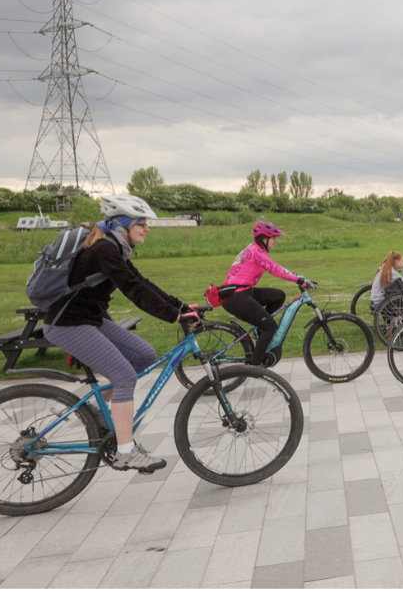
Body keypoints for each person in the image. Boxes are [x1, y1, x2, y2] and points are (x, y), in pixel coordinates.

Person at [41, 195, 198, 473]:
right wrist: (174, 316)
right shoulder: (104, 249)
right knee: (124, 376)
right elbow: (133, 291)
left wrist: (181, 306)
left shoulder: (115, 246)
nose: (147, 228)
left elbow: (141, 282)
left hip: (90, 319)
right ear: (124, 223)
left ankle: (94, 410)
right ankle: (125, 452)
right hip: (69, 324)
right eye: (142, 223)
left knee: (144, 355)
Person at [220, 221, 316, 367]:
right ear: (264, 239)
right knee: (270, 327)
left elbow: (275, 268)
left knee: (278, 296)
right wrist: (300, 279)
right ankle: (255, 365)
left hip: (242, 291)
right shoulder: (256, 252)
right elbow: (276, 269)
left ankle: (259, 330)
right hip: (236, 297)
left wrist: (298, 277)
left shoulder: (255, 249)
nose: (275, 241)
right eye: (273, 238)